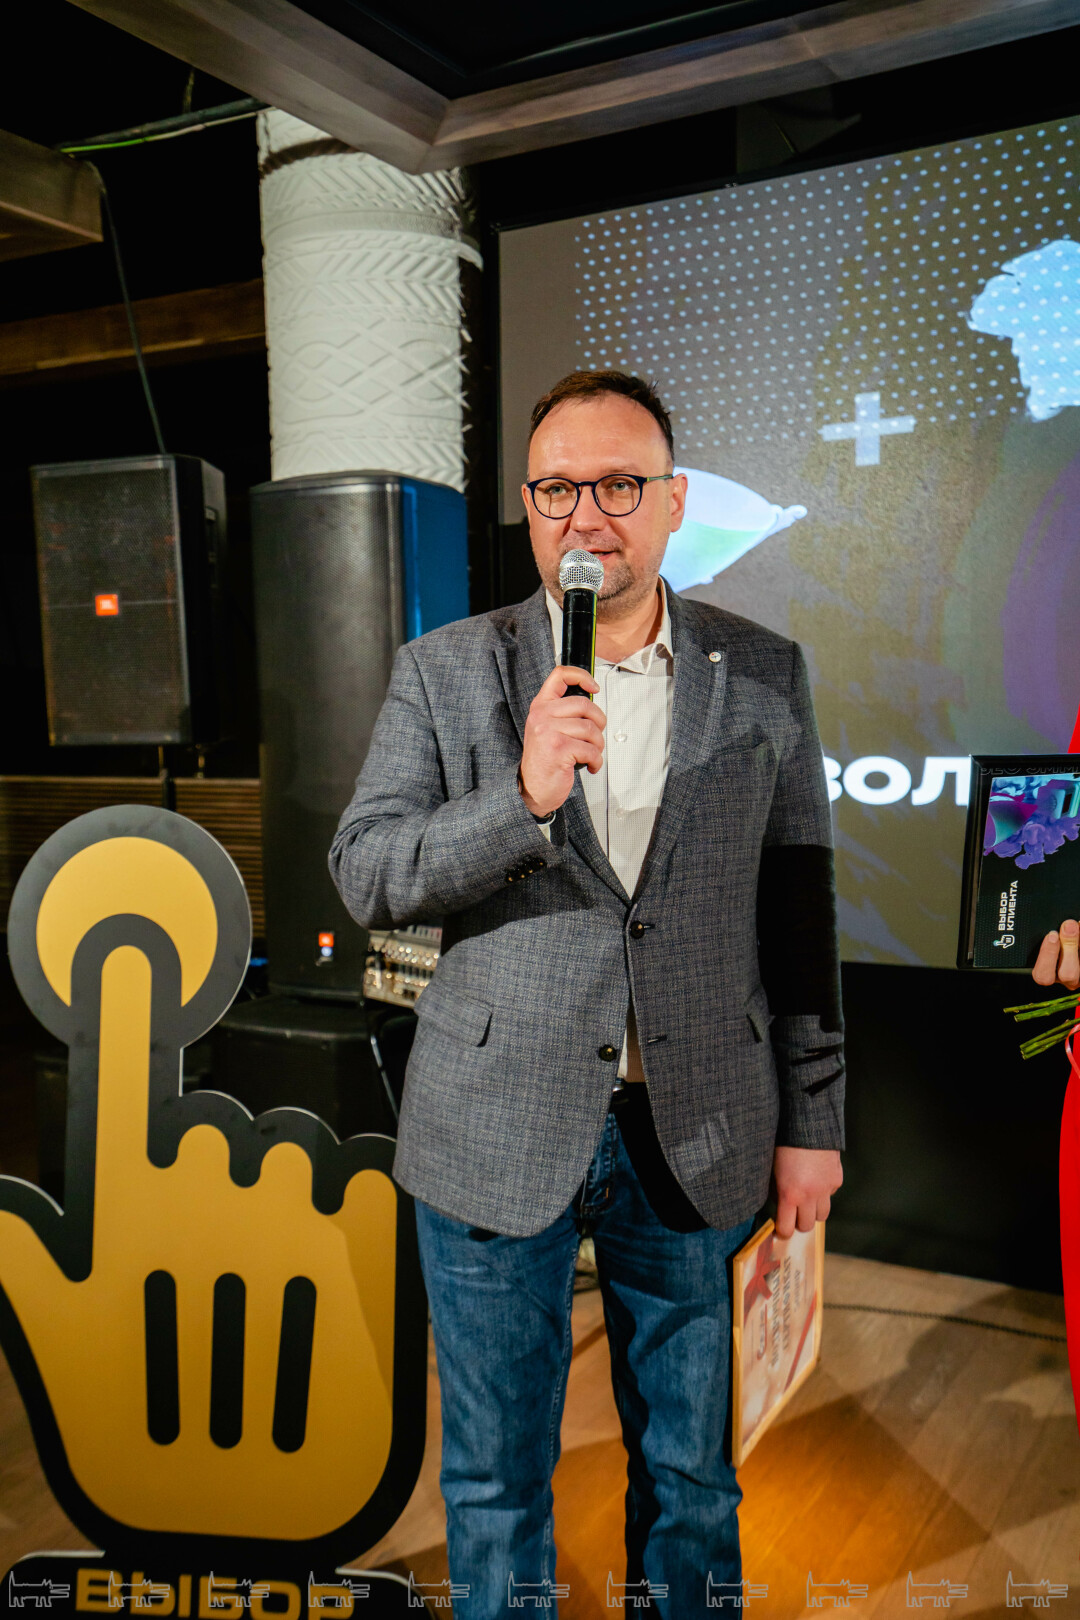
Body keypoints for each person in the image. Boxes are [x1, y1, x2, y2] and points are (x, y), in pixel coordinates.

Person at [329, 370, 845, 1616]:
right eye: (559, 489)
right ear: (529, 506)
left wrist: (814, 1122)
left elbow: (799, 913)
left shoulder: (762, 671)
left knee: (693, 1475)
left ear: (673, 502)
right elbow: (367, 870)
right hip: (492, 1129)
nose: (587, 516)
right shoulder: (447, 670)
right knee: (495, 1480)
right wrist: (519, 800)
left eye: (620, 485)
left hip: (697, 1125)